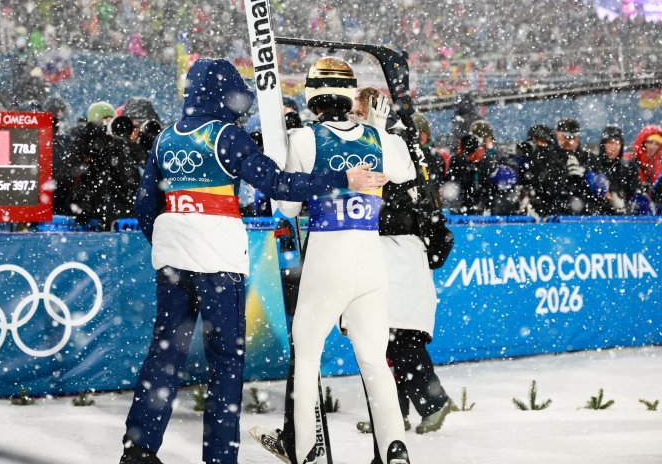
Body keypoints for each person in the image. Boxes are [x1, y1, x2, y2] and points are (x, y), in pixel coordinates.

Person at [120, 58, 387, 464]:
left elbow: (144, 206)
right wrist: (343, 179)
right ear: (223, 93)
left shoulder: (164, 139)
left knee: (165, 355)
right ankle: (220, 458)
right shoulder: (227, 136)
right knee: (226, 361)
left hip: (172, 257)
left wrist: (167, 242)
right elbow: (280, 184)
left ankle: (137, 450)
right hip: (219, 257)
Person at [276, 57, 415, 464]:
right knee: (374, 360)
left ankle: (307, 453)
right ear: (351, 92)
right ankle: (395, 448)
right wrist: (385, 130)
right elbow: (407, 172)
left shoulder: (304, 139)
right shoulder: (378, 138)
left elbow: (286, 207)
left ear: (313, 96)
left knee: (307, 359)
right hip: (370, 253)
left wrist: (283, 152)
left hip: (327, 252)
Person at [354, 98, 453, 461]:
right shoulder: (392, 142)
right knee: (386, 340)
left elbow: (395, 189)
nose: (351, 118)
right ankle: (394, 415)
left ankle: (432, 401)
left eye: (356, 111)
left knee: (397, 337)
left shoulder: (392, 144)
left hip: (398, 251)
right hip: (394, 250)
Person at [67, 101, 140, 228]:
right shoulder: (85, 142)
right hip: (94, 211)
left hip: (117, 211)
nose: (108, 123)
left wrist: (127, 144)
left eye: (111, 119)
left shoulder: (120, 146)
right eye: (104, 119)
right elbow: (71, 172)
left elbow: (131, 180)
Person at [536, 118, 606, 215]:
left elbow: (602, 190)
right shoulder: (545, 157)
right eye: (566, 137)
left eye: (574, 137)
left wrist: (586, 175)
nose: (570, 141)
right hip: (554, 217)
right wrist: (562, 172)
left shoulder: (588, 158)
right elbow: (543, 188)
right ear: (557, 134)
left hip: (585, 218)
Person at [595, 125, 638, 215]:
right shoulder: (593, 165)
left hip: (622, 219)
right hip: (597, 218)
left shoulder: (628, 168)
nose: (614, 147)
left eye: (617, 143)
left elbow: (636, 193)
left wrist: (626, 207)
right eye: (610, 143)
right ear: (603, 144)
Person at [631, 125, 662, 210]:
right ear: (643, 143)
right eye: (650, 142)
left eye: (656, 144)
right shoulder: (630, 160)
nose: (653, 147)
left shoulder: (658, 166)